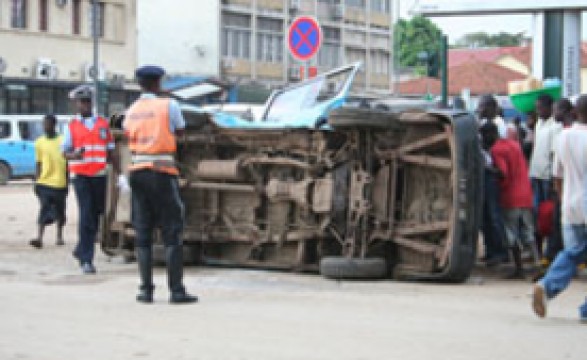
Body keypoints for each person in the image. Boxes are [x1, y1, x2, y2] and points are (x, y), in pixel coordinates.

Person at [123, 65, 197, 304]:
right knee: (172, 232)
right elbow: (181, 132)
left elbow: (128, 136)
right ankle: (176, 290)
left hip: (137, 172)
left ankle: (145, 290)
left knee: (143, 233)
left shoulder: (132, 110)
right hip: (162, 171)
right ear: (158, 83)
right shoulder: (168, 106)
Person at [532, 95, 587, 322]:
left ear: (575, 113)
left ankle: (548, 286)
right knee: (577, 253)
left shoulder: (563, 137)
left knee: (573, 253)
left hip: (570, 205)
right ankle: (549, 286)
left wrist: (564, 198)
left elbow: (557, 176)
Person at [62, 85, 124, 274]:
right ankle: (86, 260)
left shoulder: (103, 124)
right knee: (86, 216)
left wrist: (120, 174)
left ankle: (81, 249)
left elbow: (111, 151)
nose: (85, 105)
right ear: (77, 104)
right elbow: (65, 153)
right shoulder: (71, 126)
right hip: (81, 177)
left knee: (97, 214)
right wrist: (75, 155)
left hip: (99, 176)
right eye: (82, 102)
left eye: (88, 102)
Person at [487, 124, 539, 279]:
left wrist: (488, 169)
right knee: (528, 232)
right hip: (525, 194)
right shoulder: (514, 145)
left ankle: (519, 268)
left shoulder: (496, 150)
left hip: (510, 197)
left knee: (512, 234)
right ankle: (537, 265)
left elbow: (503, 173)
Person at [477, 95, 508, 266]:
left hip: (493, 173)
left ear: (491, 107)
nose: (480, 110)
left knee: (494, 215)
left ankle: (501, 251)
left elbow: (496, 149)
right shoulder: (481, 123)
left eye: (482, 106)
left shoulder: (499, 125)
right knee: (484, 216)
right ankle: (490, 250)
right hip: (485, 173)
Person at [29, 115, 68, 249]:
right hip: (44, 182)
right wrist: (37, 178)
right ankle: (39, 237)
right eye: (44, 124)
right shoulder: (39, 142)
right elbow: (38, 162)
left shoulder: (63, 141)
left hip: (60, 183)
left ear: (54, 125)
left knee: (60, 211)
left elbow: (67, 161)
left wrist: (67, 180)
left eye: (48, 124)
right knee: (44, 207)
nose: (45, 127)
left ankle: (59, 236)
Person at [529, 94, 561, 211]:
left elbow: (554, 152)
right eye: (536, 108)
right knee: (536, 206)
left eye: (540, 108)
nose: (538, 111)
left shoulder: (556, 125)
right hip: (535, 172)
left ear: (549, 107)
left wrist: (554, 177)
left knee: (547, 208)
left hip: (547, 174)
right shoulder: (538, 123)